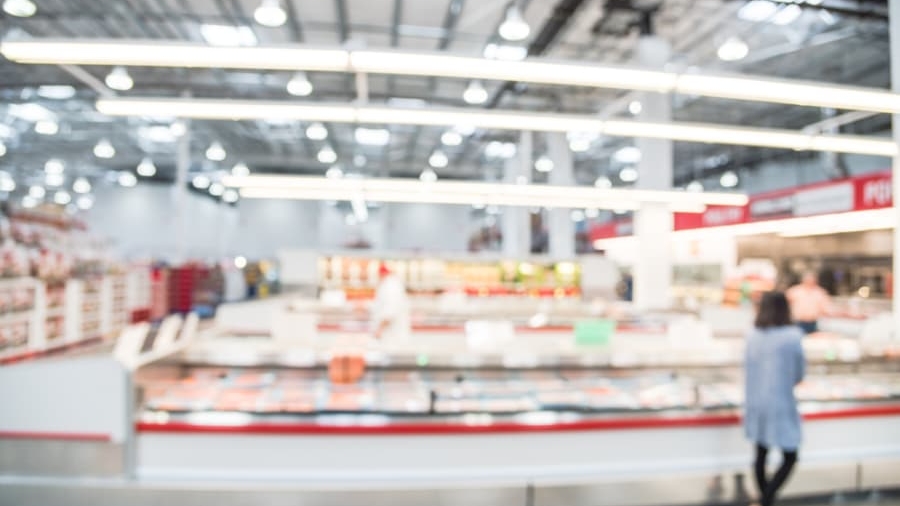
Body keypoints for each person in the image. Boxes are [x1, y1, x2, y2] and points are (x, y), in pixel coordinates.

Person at [744, 291, 805, 506]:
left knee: (761, 451)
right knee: (790, 455)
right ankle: (766, 500)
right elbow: (798, 374)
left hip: (755, 401)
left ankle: (764, 500)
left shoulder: (752, 335)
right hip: (780, 402)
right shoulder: (792, 336)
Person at [370, 263, 411, 343]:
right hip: (392, 336)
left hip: (392, 336)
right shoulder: (392, 284)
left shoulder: (390, 286)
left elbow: (390, 311)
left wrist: (379, 330)